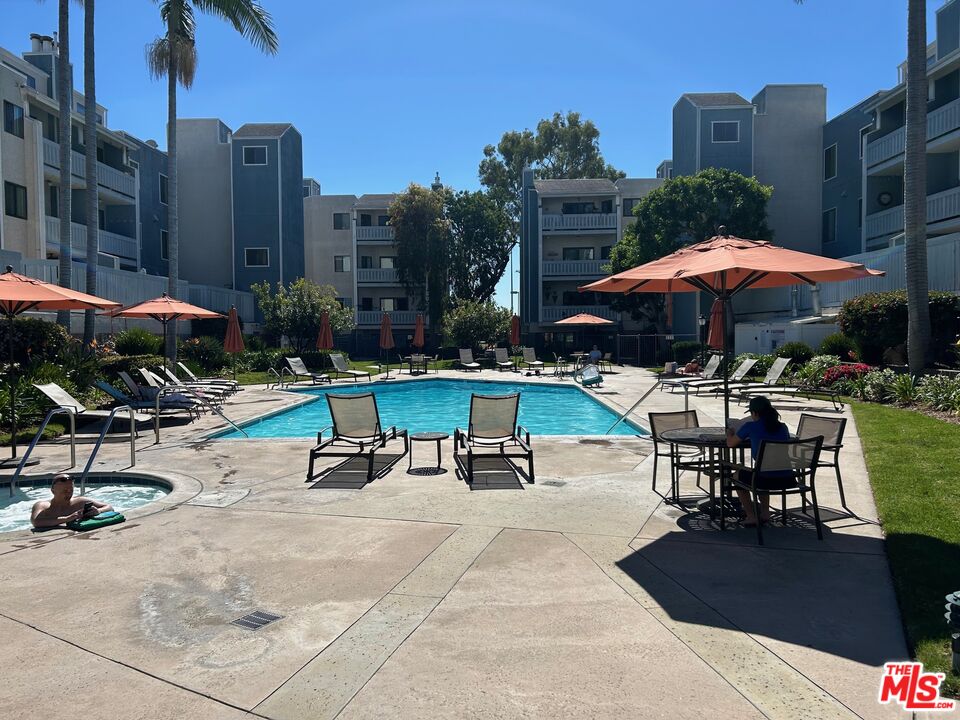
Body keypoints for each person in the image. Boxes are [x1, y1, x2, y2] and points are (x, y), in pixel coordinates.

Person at [726, 396, 791, 527]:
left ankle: (751, 516)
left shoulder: (750, 426)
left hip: (763, 479)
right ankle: (765, 513)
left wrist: (729, 433)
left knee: (737, 475)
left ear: (755, 413)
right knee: (764, 469)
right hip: (788, 478)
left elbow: (730, 444)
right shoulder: (783, 427)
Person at [31, 474, 113, 530]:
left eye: (71, 490)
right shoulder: (42, 505)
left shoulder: (80, 502)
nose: (69, 493)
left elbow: (109, 507)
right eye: (65, 491)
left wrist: (98, 511)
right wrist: (67, 519)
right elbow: (36, 522)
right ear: (53, 491)